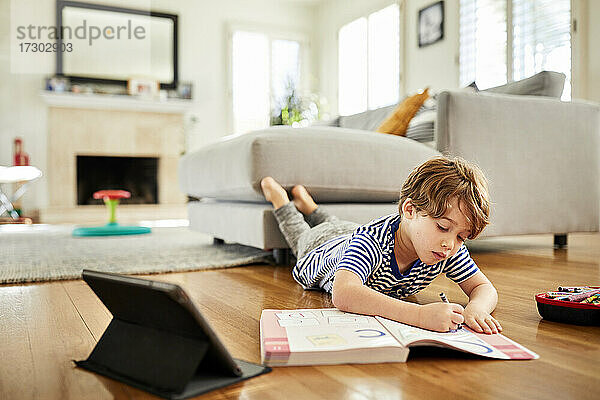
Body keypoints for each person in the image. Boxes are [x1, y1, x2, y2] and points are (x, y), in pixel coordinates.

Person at [260, 156, 502, 334]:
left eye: (462, 236)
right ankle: (281, 200)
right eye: (443, 227)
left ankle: (310, 206)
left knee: (336, 223)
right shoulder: (373, 240)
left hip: (348, 233)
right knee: (301, 233)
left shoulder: (446, 247)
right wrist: (418, 314)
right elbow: (344, 293)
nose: (451, 244)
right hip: (322, 247)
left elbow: (484, 287)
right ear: (410, 210)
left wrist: (477, 309)